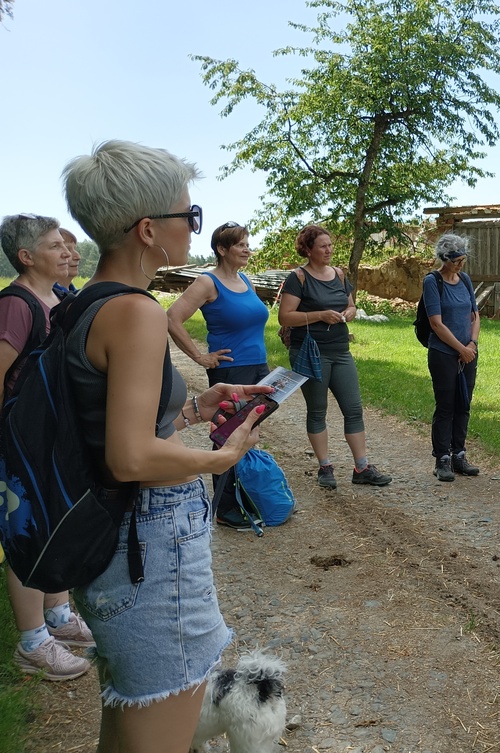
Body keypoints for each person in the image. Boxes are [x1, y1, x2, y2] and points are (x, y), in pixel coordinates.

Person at [62, 139, 272, 752]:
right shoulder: (138, 313)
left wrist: (192, 408)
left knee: (128, 725)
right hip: (148, 547)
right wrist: (222, 457)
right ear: (150, 230)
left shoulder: (85, 304)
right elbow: (131, 458)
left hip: (108, 539)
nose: (195, 228)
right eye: (192, 215)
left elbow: (108, 428)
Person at [0, 213, 93, 681]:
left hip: (51, 436)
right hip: (20, 441)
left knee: (54, 522)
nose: (67, 252)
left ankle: (57, 616)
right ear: (26, 256)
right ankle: (33, 641)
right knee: (26, 533)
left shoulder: (57, 296)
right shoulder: (16, 305)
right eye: (55, 246)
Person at [166, 222, 270, 529]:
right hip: (230, 369)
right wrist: (200, 356)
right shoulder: (207, 282)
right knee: (229, 434)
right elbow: (172, 318)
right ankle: (225, 508)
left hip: (257, 367)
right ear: (222, 250)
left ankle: (242, 496)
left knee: (249, 434)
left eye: (248, 243)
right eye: (240, 244)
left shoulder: (246, 280)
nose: (247, 248)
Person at [277, 224, 391, 489]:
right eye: (323, 246)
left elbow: (350, 304)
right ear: (308, 249)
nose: (329, 250)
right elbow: (285, 317)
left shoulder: (339, 275)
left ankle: (361, 468)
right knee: (317, 410)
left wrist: (351, 311)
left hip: (340, 350)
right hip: (310, 352)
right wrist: (319, 314)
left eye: (330, 245)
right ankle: (325, 467)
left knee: (353, 408)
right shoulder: (298, 278)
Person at [422, 234, 480, 482]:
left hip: (468, 353)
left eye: (462, 260)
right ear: (444, 259)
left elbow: (475, 316)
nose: (460, 265)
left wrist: (472, 344)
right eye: (456, 261)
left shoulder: (465, 280)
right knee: (446, 405)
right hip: (444, 353)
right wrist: (460, 349)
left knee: (463, 404)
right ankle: (442, 459)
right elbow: (436, 323)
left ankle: (459, 455)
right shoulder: (432, 282)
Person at [54, 227, 81, 298]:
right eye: (67, 249)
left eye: (75, 248)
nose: (78, 257)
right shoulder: (44, 299)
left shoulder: (78, 294)